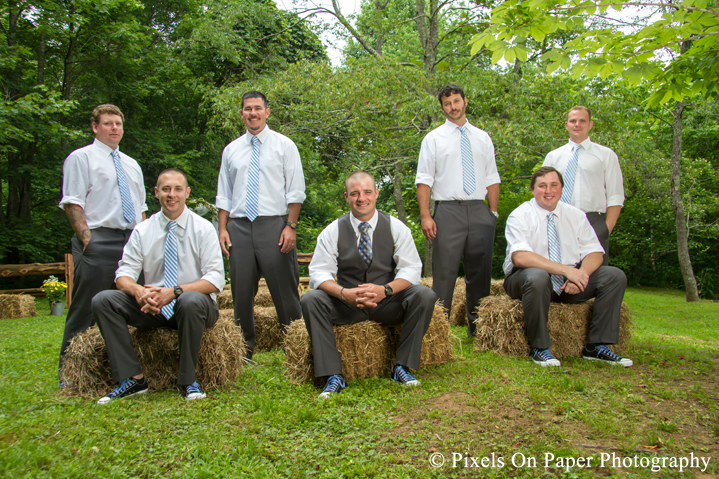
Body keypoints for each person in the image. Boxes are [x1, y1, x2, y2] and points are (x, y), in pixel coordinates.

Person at [92, 169, 225, 404]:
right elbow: (123, 275)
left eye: (177, 189)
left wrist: (173, 292)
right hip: (152, 307)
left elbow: (215, 279)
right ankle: (133, 379)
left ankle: (188, 381)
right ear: (156, 193)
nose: (171, 195)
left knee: (189, 300)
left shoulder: (203, 228)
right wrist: (139, 292)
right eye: (165, 189)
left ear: (187, 192)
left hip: (194, 308)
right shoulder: (143, 229)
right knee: (103, 300)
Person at [302, 171, 436, 399]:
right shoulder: (332, 230)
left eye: (366, 192)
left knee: (424, 295)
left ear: (376, 193)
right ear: (346, 196)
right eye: (354, 193)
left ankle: (402, 367)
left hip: (387, 302)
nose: (361, 198)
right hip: (347, 305)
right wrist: (344, 294)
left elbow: (412, 268)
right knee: (310, 299)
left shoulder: (396, 227)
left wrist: (386, 290)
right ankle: (333, 375)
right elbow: (318, 272)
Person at [503, 166, 632, 368]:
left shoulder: (576, 215)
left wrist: (581, 274)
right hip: (525, 280)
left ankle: (596, 346)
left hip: (567, 282)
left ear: (561, 189)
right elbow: (520, 257)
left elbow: (595, 252)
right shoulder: (520, 215)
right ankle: (540, 348)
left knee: (614, 276)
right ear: (532, 190)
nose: (548, 191)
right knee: (538, 276)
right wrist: (566, 271)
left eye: (554, 185)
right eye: (542, 186)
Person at [58, 104, 147, 384]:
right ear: (95, 127)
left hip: (132, 241)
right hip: (99, 237)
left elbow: (141, 207)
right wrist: (88, 241)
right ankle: (69, 373)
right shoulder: (81, 158)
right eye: (108, 123)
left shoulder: (132, 164)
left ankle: (132, 369)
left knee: (135, 305)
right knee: (85, 308)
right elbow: (73, 202)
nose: (114, 128)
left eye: (118, 124)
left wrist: (144, 241)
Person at [216, 91, 305, 359]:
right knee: (241, 293)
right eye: (247, 109)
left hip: (274, 225)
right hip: (239, 228)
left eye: (257, 108)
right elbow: (224, 193)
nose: (252, 113)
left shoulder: (284, 146)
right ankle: (243, 352)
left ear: (267, 112)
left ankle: (298, 348)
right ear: (241, 113)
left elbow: (296, 190)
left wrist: (290, 225)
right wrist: (222, 228)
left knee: (285, 291)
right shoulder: (231, 150)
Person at [415, 84, 500, 337]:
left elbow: (492, 177)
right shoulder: (433, 138)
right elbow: (424, 180)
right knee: (444, 274)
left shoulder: (483, 137)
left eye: (456, 101)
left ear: (465, 100)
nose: (452, 107)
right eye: (447, 103)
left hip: (478, 210)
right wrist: (426, 215)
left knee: (480, 273)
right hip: (447, 211)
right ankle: (438, 330)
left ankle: (479, 329)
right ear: (442, 108)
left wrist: (492, 214)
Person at [542, 106, 624, 265]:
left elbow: (616, 195)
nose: (577, 124)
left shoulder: (606, 155)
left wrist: (606, 229)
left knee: (595, 275)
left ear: (590, 124)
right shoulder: (553, 157)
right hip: (559, 218)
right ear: (566, 125)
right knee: (557, 269)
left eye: (582, 121)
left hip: (593, 221)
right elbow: (543, 193)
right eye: (573, 121)